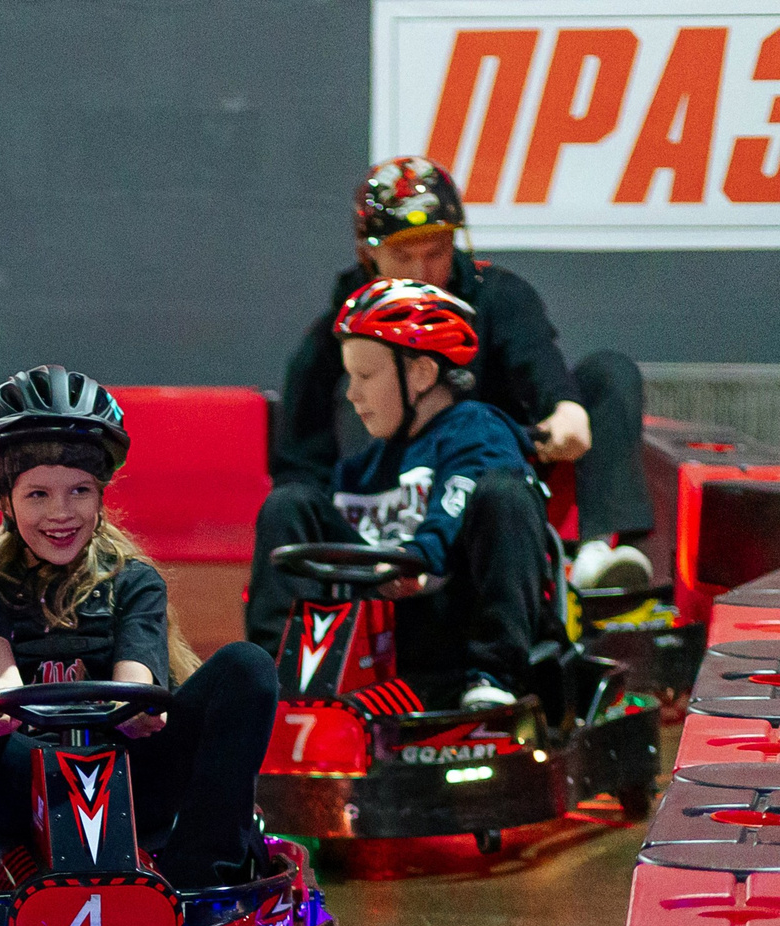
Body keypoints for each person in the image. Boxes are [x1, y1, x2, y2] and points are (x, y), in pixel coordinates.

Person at [0, 366, 280, 894]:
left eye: (79, 491)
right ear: (5, 502)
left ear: (101, 493)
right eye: (38, 495)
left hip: (128, 779)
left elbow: (138, 678)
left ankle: (200, 874)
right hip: (20, 778)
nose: (61, 513)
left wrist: (140, 709)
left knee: (247, 667)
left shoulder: (135, 583)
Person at [258, 155, 653, 620]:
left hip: (497, 483)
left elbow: (543, 375)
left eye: (436, 252)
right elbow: (300, 469)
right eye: (404, 257)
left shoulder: (499, 296)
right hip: (387, 505)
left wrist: (562, 412)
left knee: (609, 371)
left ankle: (595, 555)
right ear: (369, 253)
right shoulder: (336, 334)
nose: (422, 273)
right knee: (296, 491)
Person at [257, 278, 551, 714]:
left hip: (457, 643)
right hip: (389, 654)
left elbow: (459, 491)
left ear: (421, 372)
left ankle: (493, 679)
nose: (352, 394)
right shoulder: (364, 467)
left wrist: (419, 554)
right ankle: (274, 683)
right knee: (290, 503)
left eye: (366, 376)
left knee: (503, 493)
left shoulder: (477, 430)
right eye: (349, 378)